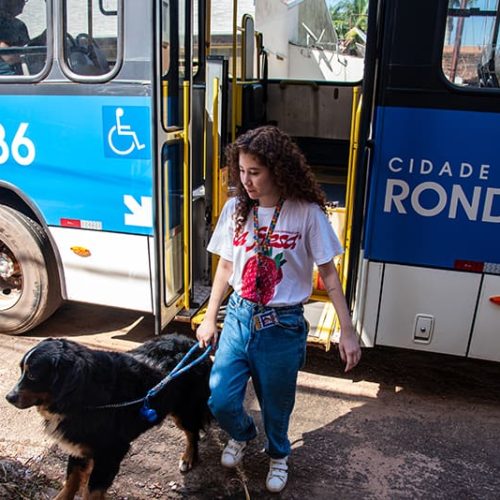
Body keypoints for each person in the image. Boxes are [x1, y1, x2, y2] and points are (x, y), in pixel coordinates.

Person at [196, 125, 361, 493]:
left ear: (277, 169)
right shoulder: (235, 210)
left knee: (276, 405)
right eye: (241, 171)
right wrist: (209, 318)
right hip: (239, 316)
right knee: (220, 397)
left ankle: (278, 454)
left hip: (282, 325)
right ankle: (242, 433)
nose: (245, 180)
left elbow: (330, 276)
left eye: (254, 172)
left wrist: (347, 331)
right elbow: (225, 266)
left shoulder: (306, 213)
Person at [0, 0, 29, 75]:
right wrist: (27, 57)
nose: (24, 3)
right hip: (6, 79)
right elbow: (8, 57)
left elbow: (27, 46)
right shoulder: (5, 24)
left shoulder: (18, 25)